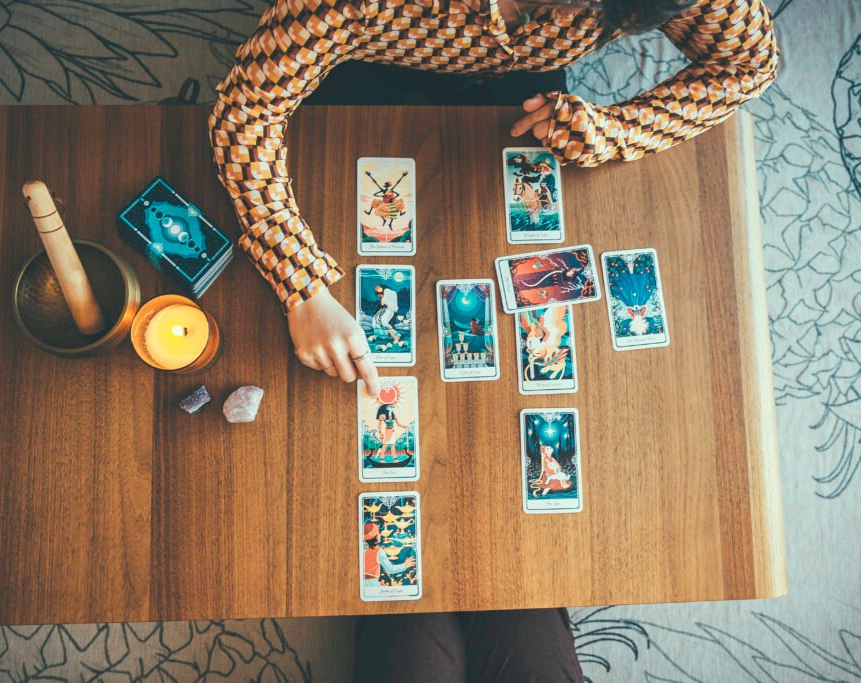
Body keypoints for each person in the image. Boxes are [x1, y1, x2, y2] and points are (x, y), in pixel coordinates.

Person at [209, 0, 778, 394]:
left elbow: (749, 63)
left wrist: (620, 131)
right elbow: (246, 111)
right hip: (365, 64)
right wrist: (300, 285)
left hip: (523, 91)